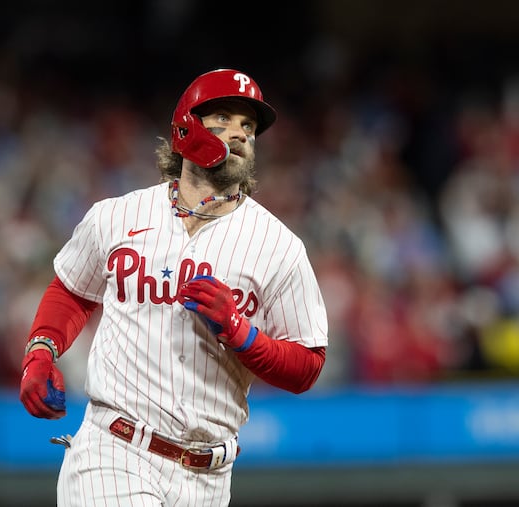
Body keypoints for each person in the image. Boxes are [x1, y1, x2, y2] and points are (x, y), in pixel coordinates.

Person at [19, 68, 329, 506]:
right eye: (223, 118)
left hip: (208, 476)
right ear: (187, 125)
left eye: (249, 127)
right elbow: (72, 288)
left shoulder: (279, 247)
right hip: (115, 451)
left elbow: (308, 364)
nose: (239, 134)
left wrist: (243, 335)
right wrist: (42, 349)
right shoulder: (117, 216)